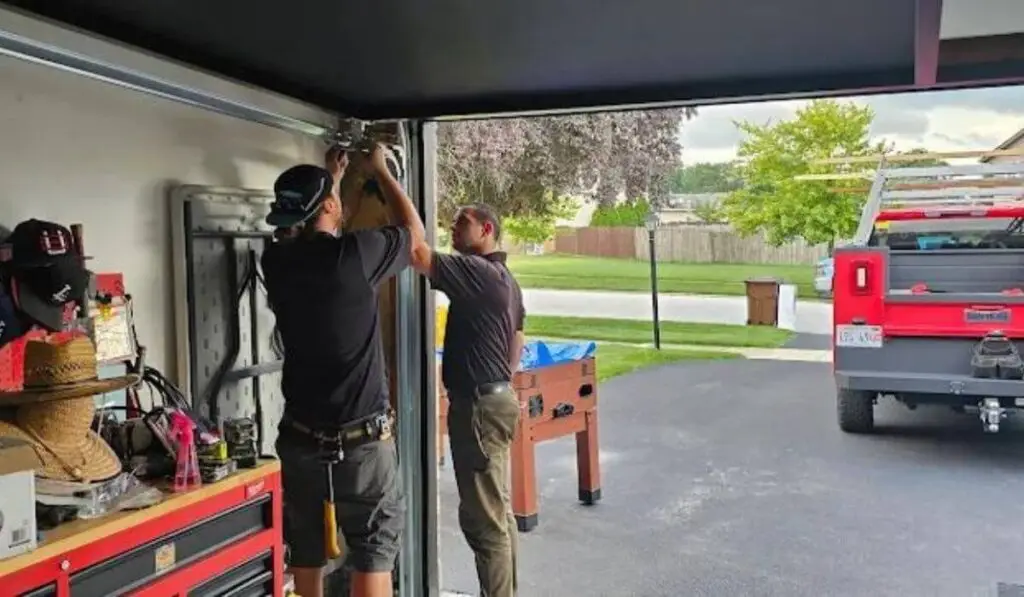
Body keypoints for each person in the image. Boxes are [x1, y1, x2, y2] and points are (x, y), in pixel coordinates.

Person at [261, 142, 426, 597]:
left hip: (300, 440)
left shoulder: (276, 262)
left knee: (307, 548)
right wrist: (382, 171)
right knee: (373, 548)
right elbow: (414, 236)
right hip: (360, 445)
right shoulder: (355, 256)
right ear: (331, 207)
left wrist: (331, 180)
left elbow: (309, 230)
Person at [410, 204, 526, 597]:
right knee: (498, 512)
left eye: (463, 222)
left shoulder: (477, 271)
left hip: (479, 408)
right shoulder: (506, 278)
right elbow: (517, 338)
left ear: (487, 229)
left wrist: (383, 177)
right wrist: (501, 381)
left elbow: (418, 253)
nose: (453, 227)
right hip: (496, 400)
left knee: (485, 523)